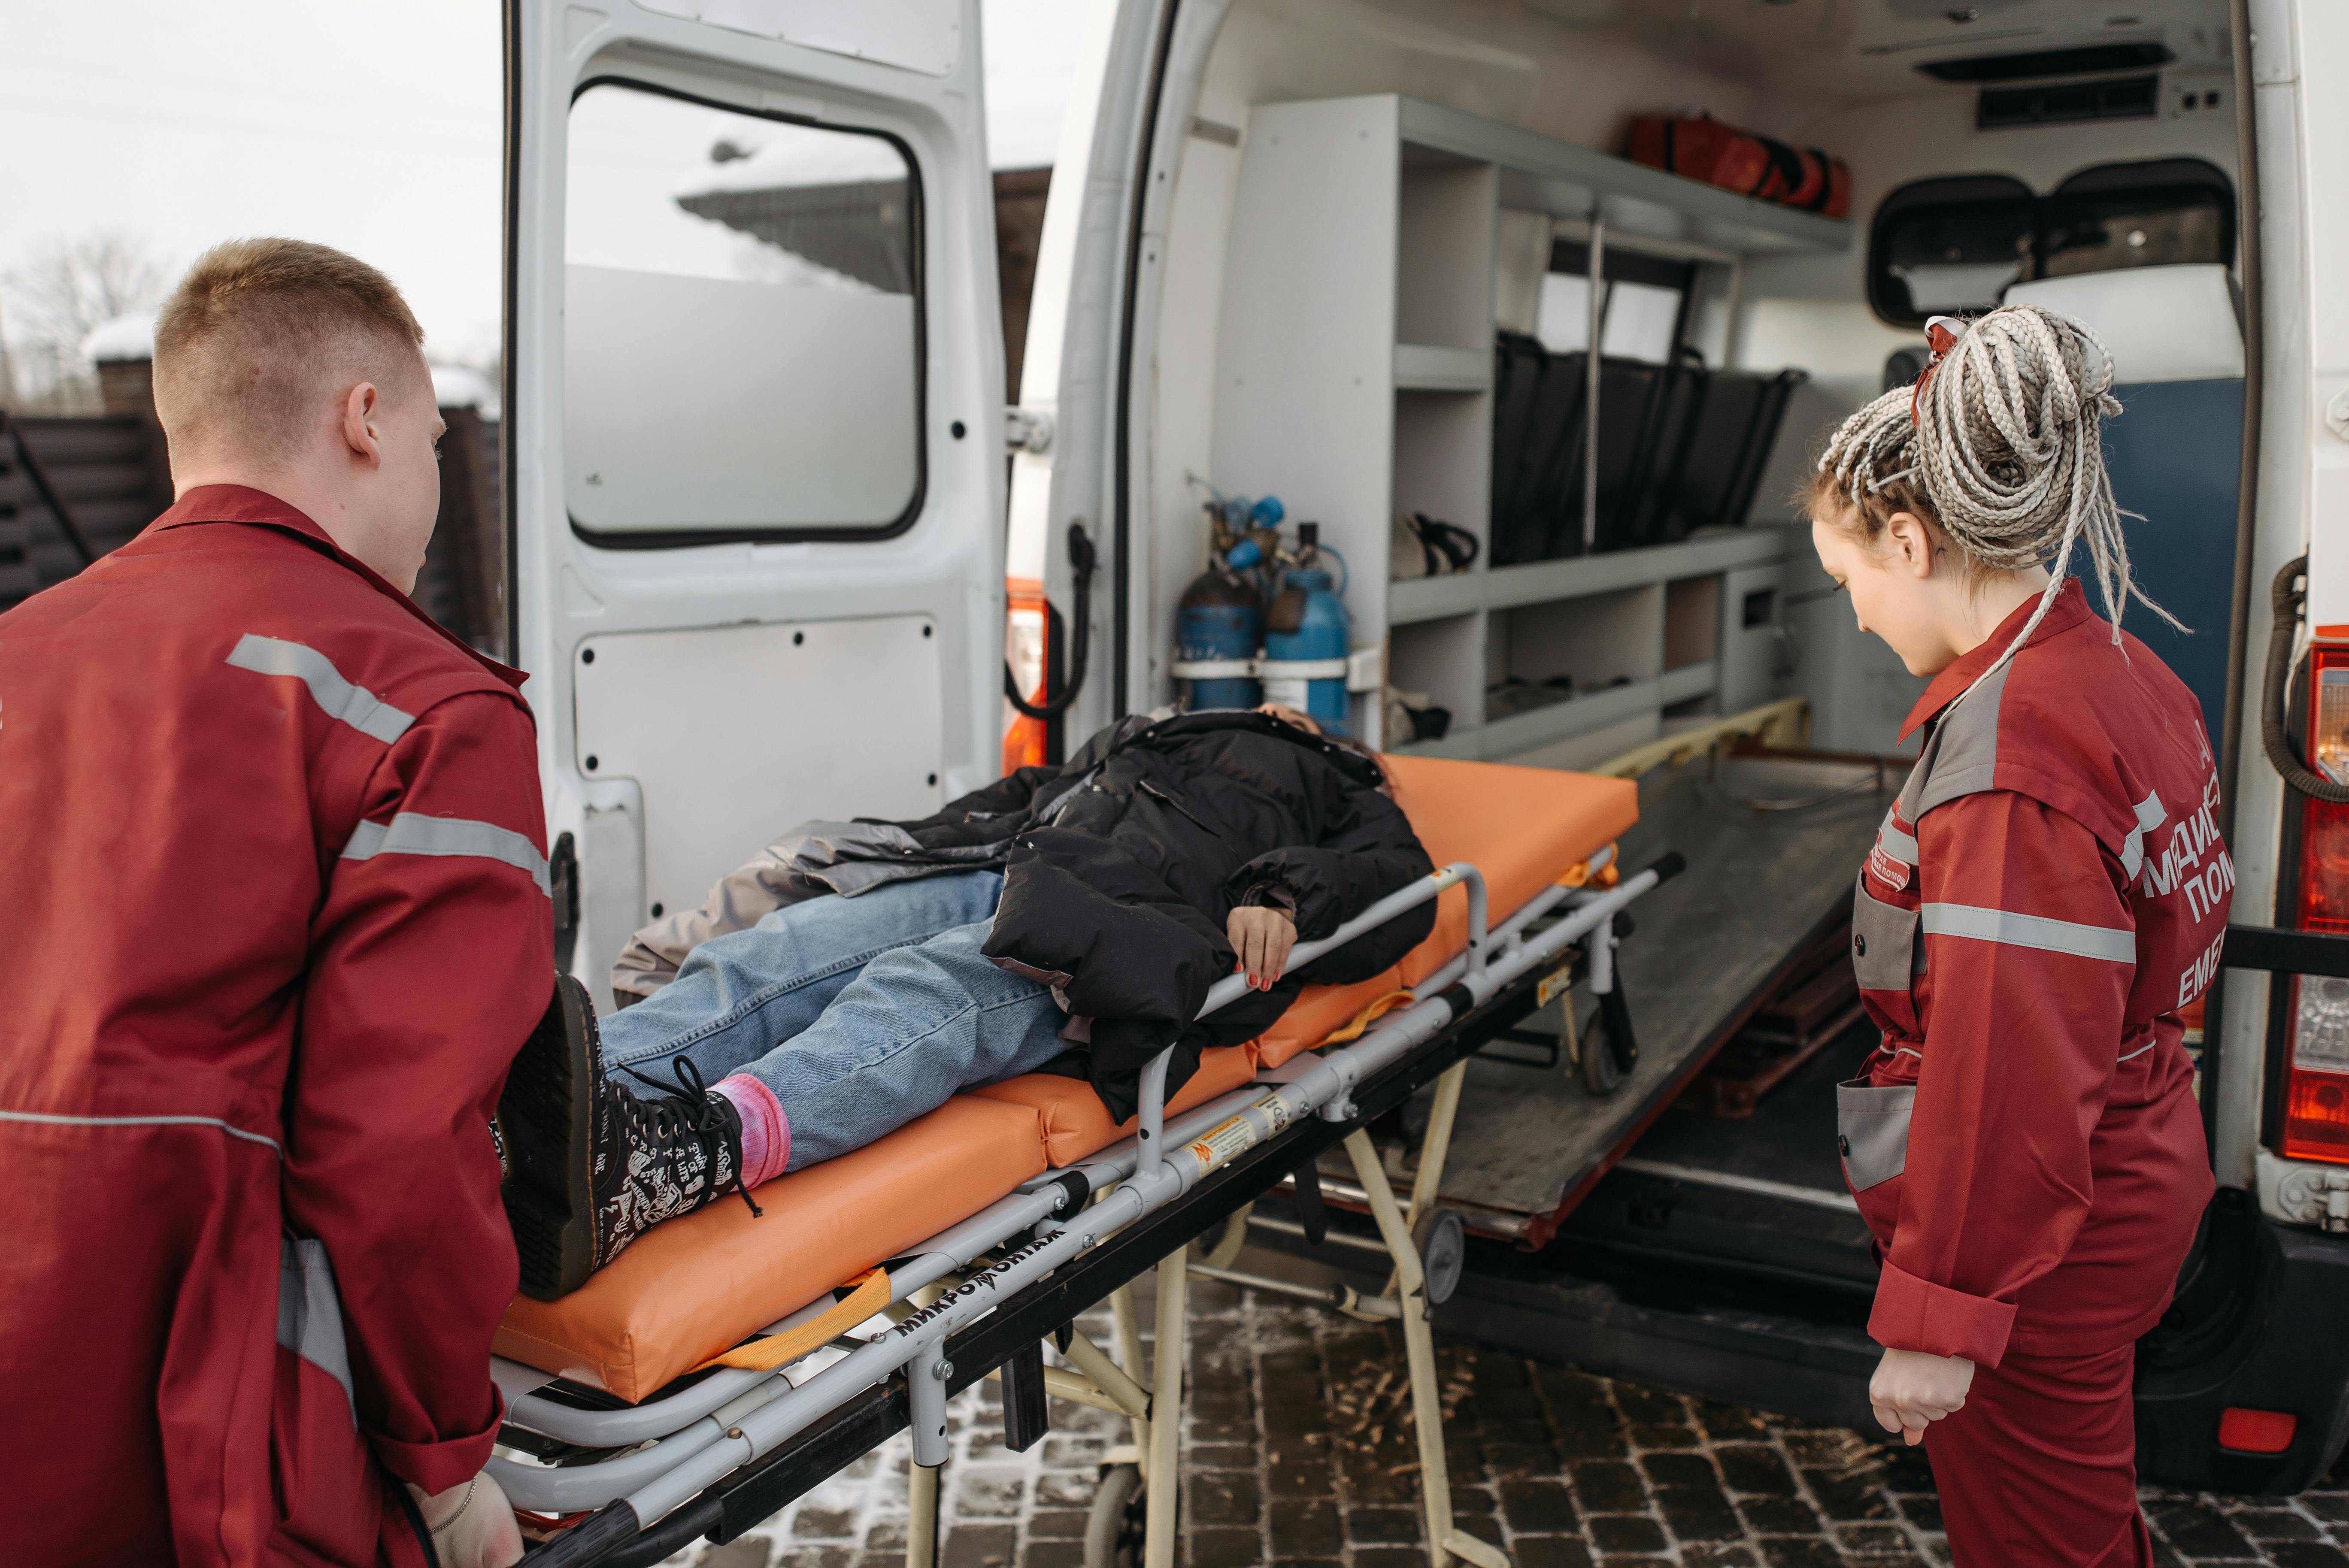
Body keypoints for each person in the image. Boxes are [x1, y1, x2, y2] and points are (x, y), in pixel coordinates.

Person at [0, 240, 542, 1568]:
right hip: (209, 1449)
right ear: (366, 419)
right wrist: (444, 1466)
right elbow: (399, 1153)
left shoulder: (19, 651)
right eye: (432, 440)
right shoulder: (424, 707)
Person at [497, 703, 1434, 1298]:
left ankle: (684, 1157)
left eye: (1301, 717)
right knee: (779, 954)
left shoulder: (1346, 788)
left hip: (1133, 925)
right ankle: (548, 1103)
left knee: (930, 996)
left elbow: (1397, 880)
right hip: (1010, 863)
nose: (1281, 710)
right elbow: (1028, 790)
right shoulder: (1161, 728)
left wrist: (1277, 893)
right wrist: (920, 843)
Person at [1810, 305, 2223, 1565]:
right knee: (2076, 1520)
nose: (1858, 618)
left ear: (1908, 540)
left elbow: (2010, 1071)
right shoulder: (2118, 668)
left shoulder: (2011, 762)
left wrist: (1942, 1317)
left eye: (1849, 582)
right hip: (2129, 1164)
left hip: (2046, 1243)